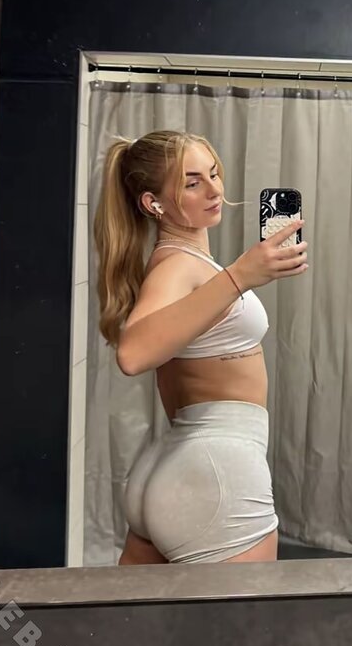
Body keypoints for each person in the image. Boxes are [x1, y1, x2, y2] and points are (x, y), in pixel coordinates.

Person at [93, 128, 308, 565]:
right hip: (216, 472)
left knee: (129, 614)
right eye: (192, 183)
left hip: (180, 464)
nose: (214, 191)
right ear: (154, 203)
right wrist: (240, 276)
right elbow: (133, 354)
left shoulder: (183, 263)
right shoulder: (176, 267)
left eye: (213, 174)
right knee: (247, 614)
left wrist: (237, 277)